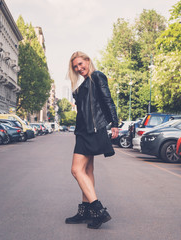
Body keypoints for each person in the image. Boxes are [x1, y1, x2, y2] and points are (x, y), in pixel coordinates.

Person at [65, 51, 119, 229]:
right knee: (86, 170)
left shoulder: (97, 76)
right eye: (75, 67)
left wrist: (114, 123)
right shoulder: (85, 82)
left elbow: (107, 100)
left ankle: (98, 210)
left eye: (81, 64)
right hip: (84, 131)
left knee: (76, 170)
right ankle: (85, 211)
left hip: (92, 131)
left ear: (88, 61)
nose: (79, 68)